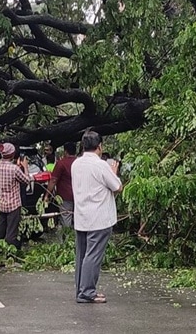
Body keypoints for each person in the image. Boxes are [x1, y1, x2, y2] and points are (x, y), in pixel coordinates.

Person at [72, 130, 123, 304]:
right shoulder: (100, 165)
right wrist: (114, 171)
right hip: (99, 217)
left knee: (82, 255)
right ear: (99, 147)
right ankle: (87, 292)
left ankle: (81, 289)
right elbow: (117, 186)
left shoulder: (76, 164)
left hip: (81, 216)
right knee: (93, 256)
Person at [0, 142, 31, 249]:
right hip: (14, 205)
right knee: (11, 233)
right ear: (12, 155)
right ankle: (11, 252)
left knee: (0, 230)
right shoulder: (14, 169)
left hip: (2, 203)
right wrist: (25, 167)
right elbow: (26, 180)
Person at [51, 142, 78, 228]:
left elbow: (53, 180)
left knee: (66, 218)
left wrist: (47, 194)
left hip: (65, 196)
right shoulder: (80, 162)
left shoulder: (61, 163)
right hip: (79, 195)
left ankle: (67, 238)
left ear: (65, 151)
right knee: (79, 218)